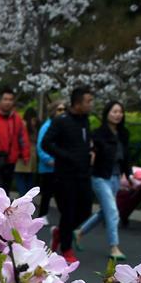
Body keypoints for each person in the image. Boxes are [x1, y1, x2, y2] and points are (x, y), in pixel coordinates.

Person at [42, 85, 95, 263]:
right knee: (69, 211)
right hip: (65, 175)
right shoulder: (61, 120)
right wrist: (66, 156)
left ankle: (60, 232)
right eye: (88, 101)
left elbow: (85, 141)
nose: (91, 105)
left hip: (83, 173)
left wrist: (91, 151)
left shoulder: (85, 120)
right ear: (78, 103)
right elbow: (46, 143)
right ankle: (66, 247)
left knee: (86, 210)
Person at [75, 100, 132, 261]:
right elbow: (93, 151)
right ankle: (114, 247)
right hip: (100, 177)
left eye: (120, 112)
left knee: (105, 211)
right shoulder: (99, 133)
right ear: (107, 113)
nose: (118, 115)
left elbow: (126, 157)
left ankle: (79, 232)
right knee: (113, 211)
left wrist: (129, 175)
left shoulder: (123, 133)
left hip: (115, 177)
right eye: (114, 111)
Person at [0, 87, 30, 193]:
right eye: (5, 99)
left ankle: (4, 209)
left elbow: (22, 137)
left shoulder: (17, 118)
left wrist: (25, 155)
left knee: (6, 189)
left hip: (11, 160)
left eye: (10, 99)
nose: (8, 102)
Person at [36, 101, 66, 218]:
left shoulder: (63, 126)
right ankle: (42, 215)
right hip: (48, 167)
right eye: (59, 109)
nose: (62, 112)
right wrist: (48, 160)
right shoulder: (47, 126)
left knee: (60, 192)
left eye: (64, 109)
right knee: (47, 193)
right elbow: (40, 146)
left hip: (60, 166)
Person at [14, 108, 39, 195]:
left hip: (30, 157)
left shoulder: (32, 128)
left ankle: (26, 200)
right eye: (33, 120)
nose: (34, 122)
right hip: (22, 156)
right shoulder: (23, 125)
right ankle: (24, 199)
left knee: (28, 180)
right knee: (23, 180)